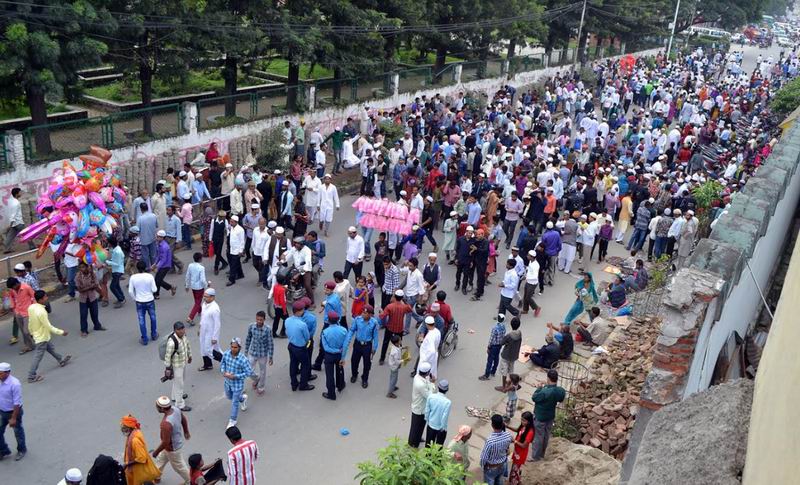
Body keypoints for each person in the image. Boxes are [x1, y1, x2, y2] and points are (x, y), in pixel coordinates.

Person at [27, 290, 71, 383]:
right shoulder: (42, 312)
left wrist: (31, 332)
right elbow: (48, 326)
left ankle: (61, 360)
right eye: (45, 297)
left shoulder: (31, 307)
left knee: (50, 348)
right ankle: (31, 376)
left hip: (38, 335)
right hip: (41, 337)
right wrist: (61, 332)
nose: (47, 298)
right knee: (38, 356)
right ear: (40, 299)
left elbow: (30, 322)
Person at [152, 396, 191, 484]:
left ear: (162, 408)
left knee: (179, 467)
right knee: (161, 460)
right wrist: (186, 431)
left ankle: (190, 481)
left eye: (157, 406)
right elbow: (183, 419)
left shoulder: (166, 423)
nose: (156, 408)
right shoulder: (175, 409)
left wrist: (156, 452)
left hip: (172, 448)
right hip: (172, 445)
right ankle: (156, 476)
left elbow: (165, 442)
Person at [531, 369, 566, 460]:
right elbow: (561, 398)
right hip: (550, 416)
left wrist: (539, 387)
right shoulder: (560, 391)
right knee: (546, 435)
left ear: (548, 378)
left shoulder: (544, 392)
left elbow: (534, 398)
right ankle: (542, 453)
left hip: (540, 416)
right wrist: (545, 386)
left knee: (538, 436)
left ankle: (535, 456)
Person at [342, 305, 379, 388]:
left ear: (370, 314)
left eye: (365, 313)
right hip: (358, 344)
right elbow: (352, 330)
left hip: (367, 346)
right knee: (354, 361)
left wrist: (374, 348)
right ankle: (354, 375)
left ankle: (365, 379)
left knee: (367, 364)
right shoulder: (357, 320)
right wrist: (347, 340)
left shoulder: (374, 323)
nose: (362, 314)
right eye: (362, 312)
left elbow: (375, 337)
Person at [220, 338, 253, 429]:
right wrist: (223, 372)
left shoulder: (243, 360)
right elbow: (222, 364)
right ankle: (242, 399)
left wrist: (235, 376)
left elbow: (249, 372)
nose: (233, 349)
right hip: (227, 382)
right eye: (232, 347)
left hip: (237, 385)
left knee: (234, 402)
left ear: (239, 348)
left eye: (235, 347)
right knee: (229, 397)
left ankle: (232, 420)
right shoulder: (226, 354)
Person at [120, 415, 161, 485]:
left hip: (138, 469)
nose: (122, 430)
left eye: (124, 428)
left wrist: (127, 464)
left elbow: (142, 458)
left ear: (129, 428)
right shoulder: (134, 433)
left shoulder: (135, 441)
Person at [285, 301, 316, 391]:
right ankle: (303, 384)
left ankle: (294, 384)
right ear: (298, 311)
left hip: (291, 345)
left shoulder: (287, 320)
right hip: (300, 348)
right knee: (305, 365)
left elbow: (287, 332)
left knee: (293, 364)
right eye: (302, 310)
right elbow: (307, 337)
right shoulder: (302, 325)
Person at [164, 321, 192, 411]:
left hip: (182, 363)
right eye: (179, 330)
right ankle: (180, 404)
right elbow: (167, 356)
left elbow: (187, 345)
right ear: (175, 330)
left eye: (182, 329)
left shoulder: (184, 336)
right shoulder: (171, 342)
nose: (182, 331)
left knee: (178, 381)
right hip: (176, 366)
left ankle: (175, 397)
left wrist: (189, 355)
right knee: (180, 384)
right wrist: (168, 368)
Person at [244, 311, 274, 396]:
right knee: (249, 370)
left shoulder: (267, 329)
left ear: (264, 320)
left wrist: (271, 357)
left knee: (263, 371)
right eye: (257, 319)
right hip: (252, 352)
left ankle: (261, 387)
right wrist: (246, 351)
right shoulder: (251, 327)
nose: (259, 321)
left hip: (263, 354)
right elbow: (248, 339)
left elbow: (270, 343)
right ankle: (257, 379)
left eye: (261, 320)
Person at [128, 261, 158, 345]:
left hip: (139, 301)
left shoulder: (133, 277)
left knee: (141, 320)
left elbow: (130, 291)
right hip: (150, 300)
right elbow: (155, 289)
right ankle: (154, 334)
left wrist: (135, 298)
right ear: (145, 268)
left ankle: (144, 339)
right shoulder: (150, 276)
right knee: (153, 317)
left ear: (137, 268)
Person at [0, 362, 25, 461]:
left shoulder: (15, 384)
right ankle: (3, 450)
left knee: (18, 432)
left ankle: (22, 450)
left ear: (7, 373)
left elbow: (17, 403)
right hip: (2, 411)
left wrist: (14, 418)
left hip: (13, 412)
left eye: (0, 373)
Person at [409, 361, 436, 448]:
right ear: (427, 373)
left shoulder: (418, 377)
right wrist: (432, 383)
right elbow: (430, 396)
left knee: (419, 427)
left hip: (421, 407)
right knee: (416, 427)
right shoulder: (421, 384)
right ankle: (413, 443)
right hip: (419, 409)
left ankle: (417, 438)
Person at [378, 289, 410, 364]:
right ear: (402, 298)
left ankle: (382, 358)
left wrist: (380, 312)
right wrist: (405, 301)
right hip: (399, 329)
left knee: (385, 343)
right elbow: (410, 309)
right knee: (399, 343)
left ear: (395, 297)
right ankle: (398, 358)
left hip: (390, 328)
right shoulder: (404, 307)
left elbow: (382, 316)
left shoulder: (389, 306)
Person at [320, 310, 347, 400]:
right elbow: (345, 345)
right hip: (339, 354)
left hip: (329, 356)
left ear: (328, 320)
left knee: (329, 375)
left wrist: (333, 350)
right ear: (338, 320)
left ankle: (331, 394)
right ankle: (341, 385)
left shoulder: (325, 332)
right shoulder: (343, 330)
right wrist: (341, 354)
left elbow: (325, 347)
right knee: (340, 370)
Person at [480, 414, 513, 485]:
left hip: (491, 468)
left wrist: (483, 466)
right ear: (502, 424)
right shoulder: (508, 435)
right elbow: (508, 447)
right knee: (499, 481)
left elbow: (484, 457)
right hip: (502, 465)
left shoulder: (490, 441)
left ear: (492, 425)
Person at [75, 262, 106, 337]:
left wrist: (89, 287)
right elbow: (80, 290)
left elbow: (96, 285)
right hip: (83, 299)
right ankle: (84, 330)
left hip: (92, 297)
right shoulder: (78, 277)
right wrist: (91, 286)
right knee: (83, 315)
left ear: (87, 267)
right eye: (80, 267)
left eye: (83, 267)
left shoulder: (92, 274)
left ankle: (97, 326)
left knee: (95, 313)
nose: (82, 269)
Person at [6, 277, 35, 353]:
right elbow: (11, 297)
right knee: (23, 331)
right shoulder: (13, 290)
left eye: (13, 287)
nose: (13, 289)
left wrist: (34, 308)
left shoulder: (26, 287)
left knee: (26, 331)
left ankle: (34, 342)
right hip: (18, 312)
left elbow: (34, 297)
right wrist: (13, 307)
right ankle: (28, 345)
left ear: (17, 283)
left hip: (27, 312)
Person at [507, 411, 535, 484]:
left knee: (515, 470)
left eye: (524, 420)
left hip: (521, 454)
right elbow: (517, 430)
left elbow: (524, 445)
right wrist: (507, 426)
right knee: (515, 467)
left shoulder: (530, 432)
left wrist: (514, 441)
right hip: (517, 452)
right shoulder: (523, 426)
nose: (522, 422)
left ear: (529, 421)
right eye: (521, 419)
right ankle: (516, 480)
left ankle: (514, 482)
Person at [198, 288, 222, 371]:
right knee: (203, 348)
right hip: (203, 330)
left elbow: (217, 324)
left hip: (210, 333)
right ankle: (207, 365)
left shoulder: (215, 309)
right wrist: (200, 327)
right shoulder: (204, 304)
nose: (204, 298)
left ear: (212, 297)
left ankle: (225, 361)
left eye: (207, 297)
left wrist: (214, 337)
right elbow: (203, 317)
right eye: (204, 296)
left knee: (209, 350)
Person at [497, 317, 522, 391]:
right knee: (511, 370)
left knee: (504, 371)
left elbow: (501, 343)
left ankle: (504, 387)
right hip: (514, 355)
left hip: (506, 355)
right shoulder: (520, 334)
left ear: (511, 325)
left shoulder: (509, 335)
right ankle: (510, 383)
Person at [424, 379, 451, 446]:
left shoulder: (431, 397)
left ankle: (427, 456)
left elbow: (427, 410)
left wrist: (427, 419)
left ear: (438, 387)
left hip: (431, 424)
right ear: (447, 390)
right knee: (438, 447)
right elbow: (445, 417)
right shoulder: (447, 402)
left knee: (428, 445)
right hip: (440, 428)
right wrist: (443, 427)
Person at [479, 314, 506, 381]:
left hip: (493, 346)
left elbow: (491, 338)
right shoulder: (503, 327)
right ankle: (493, 371)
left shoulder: (495, 328)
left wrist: (488, 346)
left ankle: (486, 375)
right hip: (499, 345)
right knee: (496, 358)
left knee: (490, 360)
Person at [184, 253, 208, 326]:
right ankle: (190, 317)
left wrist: (187, 285)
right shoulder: (201, 268)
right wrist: (206, 286)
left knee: (197, 300)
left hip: (193, 286)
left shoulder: (190, 265)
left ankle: (200, 311)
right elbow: (202, 280)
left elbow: (187, 275)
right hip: (199, 287)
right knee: (197, 302)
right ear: (200, 259)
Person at [4, 187, 29, 253]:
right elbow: (13, 214)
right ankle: (32, 246)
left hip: (14, 223)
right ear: (16, 194)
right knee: (27, 234)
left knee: (10, 236)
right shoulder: (16, 203)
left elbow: (10, 213)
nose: (21, 193)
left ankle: (7, 249)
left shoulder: (11, 201)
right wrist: (11, 223)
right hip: (18, 223)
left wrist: (11, 224)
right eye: (19, 192)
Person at [152, 230, 176, 299]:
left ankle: (157, 294)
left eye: (158, 237)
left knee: (158, 280)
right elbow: (158, 256)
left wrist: (157, 266)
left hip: (165, 266)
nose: (157, 238)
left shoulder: (164, 247)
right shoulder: (159, 244)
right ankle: (170, 288)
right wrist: (155, 264)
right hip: (161, 264)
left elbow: (163, 259)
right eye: (157, 236)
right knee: (157, 280)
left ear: (162, 238)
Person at [521, 250, 541, 316]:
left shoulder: (535, 265)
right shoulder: (531, 262)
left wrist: (526, 277)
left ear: (532, 257)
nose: (527, 256)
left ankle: (536, 307)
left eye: (528, 255)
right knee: (525, 296)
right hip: (528, 281)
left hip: (532, 283)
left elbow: (535, 276)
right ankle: (525, 309)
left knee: (528, 297)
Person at [208, 210, 229, 276]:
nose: (225, 218)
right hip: (214, 239)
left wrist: (228, 237)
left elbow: (227, 229)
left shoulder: (225, 221)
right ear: (220, 216)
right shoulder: (213, 221)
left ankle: (216, 267)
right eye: (224, 217)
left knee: (218, 253)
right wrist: (210, 239)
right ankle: (224, 262)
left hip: (220, 239)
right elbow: (211, 230)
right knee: (215, 252)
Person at [108, 236, 126, 308]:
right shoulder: (116, 249)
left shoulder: (117, 251)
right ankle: (121, 297)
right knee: (117, 285)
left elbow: (117, 263)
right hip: (115, 270)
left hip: (118, 271)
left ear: (110, 243)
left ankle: (121, 299)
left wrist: (108, 262)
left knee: (112, 287)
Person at [227, 216, 246, 286]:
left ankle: (231, 279)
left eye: (232, 222)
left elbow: (242, 241)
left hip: (237, 250)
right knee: (237, 263)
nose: (230, 223)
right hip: (232, 249)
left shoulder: (240, 230)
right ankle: (240, 274)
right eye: (230, 221)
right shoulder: (231, 228)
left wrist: (241, 251)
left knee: (233, 265)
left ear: (236, 222)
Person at [386, 333, 402, 399]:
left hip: (393, 365)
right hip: (394, 366)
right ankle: (390, 393)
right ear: (396, 343)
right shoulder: (395, 352)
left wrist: (402, 348)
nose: (400, 341)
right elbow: (397, 361)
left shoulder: (393, 346)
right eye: (400, 340)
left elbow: (398, 349)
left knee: (393, 377)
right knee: (394, 379)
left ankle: (393, 387)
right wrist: (404, 360)